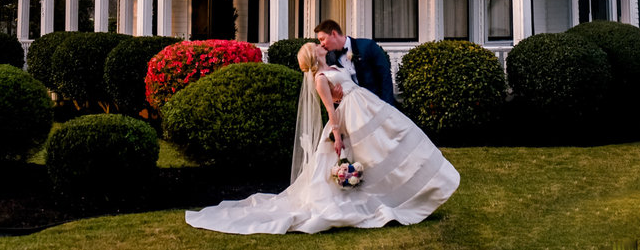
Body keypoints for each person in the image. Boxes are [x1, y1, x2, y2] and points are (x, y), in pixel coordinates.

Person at [185, 41, 460, 234]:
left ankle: (424, 185)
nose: (320, 45)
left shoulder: (333, 67)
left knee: (396, 142)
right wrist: (338, 138)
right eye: (316, 46)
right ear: (312, 56)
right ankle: (390, 196)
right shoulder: (320, 79)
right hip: (350, 119)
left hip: (367, 108)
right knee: (374, 155)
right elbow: (331, 109)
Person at [314, 18, 396, 105]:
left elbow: (385, 76)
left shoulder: (367, 46)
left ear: (334, 34)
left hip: (376, 103)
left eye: (322, 39)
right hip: (351, 108)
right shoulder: (330, 58)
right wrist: (334, 97)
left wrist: (387, 105)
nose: (321, 44)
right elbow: (331, 91)